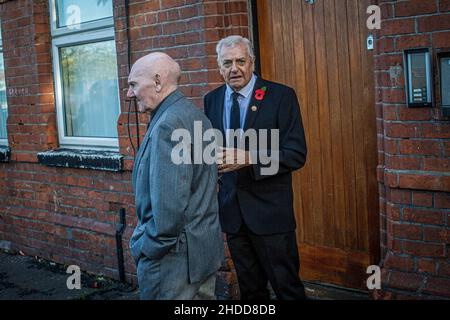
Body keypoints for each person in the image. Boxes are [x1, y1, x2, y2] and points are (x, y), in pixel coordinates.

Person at [204, 35, 308, 300]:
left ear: (252, 62)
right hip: (233, 214)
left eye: (241, 61)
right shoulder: (212, 100)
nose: (234, 68)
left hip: (270, 215)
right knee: (251, 292)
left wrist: (250, 157)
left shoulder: (280, 96)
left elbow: (295, 155)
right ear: (219, 66)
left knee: (287, 289)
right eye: (227, 63)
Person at [128, 52, 223, 300]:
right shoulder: (196, 116)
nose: (130, 93)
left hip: (173, 262)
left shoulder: (168, 124)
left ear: (158, 82)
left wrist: (146, 249)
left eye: (133, 84)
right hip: (202, 253)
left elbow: (169, 210)